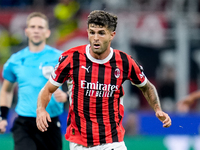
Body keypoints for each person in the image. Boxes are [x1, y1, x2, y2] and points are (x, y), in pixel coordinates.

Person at [36, 10, 172, 150]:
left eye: (101, 33)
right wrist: (41, 109)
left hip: (112, 142)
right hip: (80, 144)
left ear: (111, 35)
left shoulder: (124, 62)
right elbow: (47, 90)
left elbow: (146, 86)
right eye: (92, 32)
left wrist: (157, 109)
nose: (95, 37)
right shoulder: (71, 58)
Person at [0, 12, 68, 150]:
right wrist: (3, 117)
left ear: (48, 32)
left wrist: (66, 96)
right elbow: (6, 90)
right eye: (32, 26)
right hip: (25, 124)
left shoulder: (60, 58)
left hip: (51, 122)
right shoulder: (15, 60)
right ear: (26, 31)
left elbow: (77, 85)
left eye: (40, 27)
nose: (36, 30)